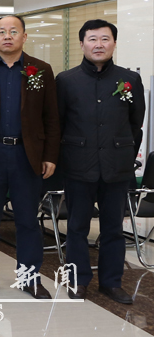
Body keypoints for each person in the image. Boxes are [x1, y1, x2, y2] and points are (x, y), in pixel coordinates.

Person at [0, 15, 59, 299]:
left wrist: (50, 155)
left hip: (26, 155)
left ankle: (29, 278)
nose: (7, 36)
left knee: (28, 221)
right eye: (1, 31)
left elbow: (51, 117)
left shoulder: (40, 70)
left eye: (13, 31)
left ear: (24, 36)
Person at [57, 19, 145, 304]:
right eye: (92, 39)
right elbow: (59, 124)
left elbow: (136, 123)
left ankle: (111, 282)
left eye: (105, 39)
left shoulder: (129, 79)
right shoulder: (66, 80)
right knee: (77, 227)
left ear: (114, 44)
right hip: (78, 165)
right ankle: (78, 280)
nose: (98, 44)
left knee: (113, 229)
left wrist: (123, 153)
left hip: (116, 167)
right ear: (82, 43)